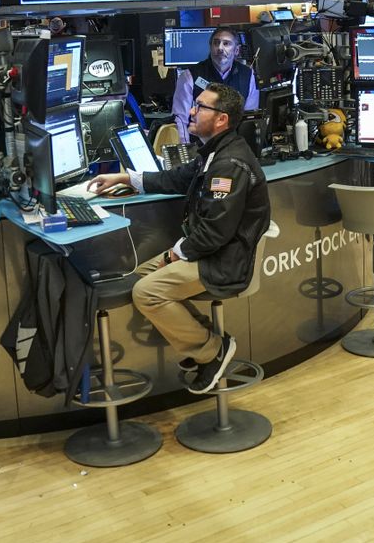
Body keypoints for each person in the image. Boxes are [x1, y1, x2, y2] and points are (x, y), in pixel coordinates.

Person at [88, 83, 271, 393]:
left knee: (147, 292)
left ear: (221, 119)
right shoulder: (214, 152)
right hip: (211, 252)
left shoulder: (228, 165)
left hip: (224, 261)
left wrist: (175, 254)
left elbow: (214, 232)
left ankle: (211, 351)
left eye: (200, 107)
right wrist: (125, 178)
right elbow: (175, 178)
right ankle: (202, 340)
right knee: (139, 277)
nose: (190, 111)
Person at [171, 27, 259, 143]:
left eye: (226, 44)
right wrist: (186, 150)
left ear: (236, 50)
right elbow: (180, 119)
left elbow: (249, 118)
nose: (220, 48)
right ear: (210, 47)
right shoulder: (190, 76)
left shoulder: (247, 75)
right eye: (216, 43)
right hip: (199, 146)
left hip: (233, 145)